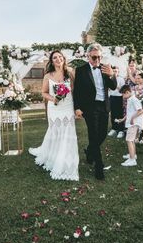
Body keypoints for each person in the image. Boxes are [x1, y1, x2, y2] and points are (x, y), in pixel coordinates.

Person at [29, 50, 79, 181]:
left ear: (63, 59)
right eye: (55, 58)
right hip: (54, 108)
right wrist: (53, 99)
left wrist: (76, 108)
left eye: (60, 57)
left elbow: (75, 90)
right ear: (51, 61)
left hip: (68, 106)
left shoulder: (70, 72)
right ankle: (54, 157)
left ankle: (66, 161)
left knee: (67, 134)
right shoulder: (47, 76)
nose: (58, 59)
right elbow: (44, 92)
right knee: (55, 133)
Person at [73, 44, 117, 180]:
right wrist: (77, 107)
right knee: (93, 134)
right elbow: (77, 91)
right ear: (88, 56)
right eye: (94, 57)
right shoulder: (80, 70)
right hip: (89, 107)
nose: (97, 59)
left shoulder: (105, 68)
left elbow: (114, 87)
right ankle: (99, 166)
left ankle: (90, 151)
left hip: (104, 107)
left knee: (102, 133)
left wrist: (111, 75)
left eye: (99, 56)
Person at [116, 85, 143, 167]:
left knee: (129, 140)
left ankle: (132, 160)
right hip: (132, 123)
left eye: (123, 94)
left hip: (133, 123)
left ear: (127, 92)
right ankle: (133, 155)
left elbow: (140, 110)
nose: (123, 96)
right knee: (131, 140)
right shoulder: (130, 99)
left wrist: (132, 118)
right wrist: (123, 119)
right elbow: (129, 112)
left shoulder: (134, 100)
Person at [108, 66, 125, 138]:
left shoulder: (121, 79)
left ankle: (121, 130)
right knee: (113, 113)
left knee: (120, 113)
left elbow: (123, 90)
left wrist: (117, 87)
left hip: (119, 98)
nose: (115, 72)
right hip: (112, 97)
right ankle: (114, 128)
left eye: (116, 71)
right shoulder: (110, 78)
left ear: (118, 72)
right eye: (113, 71)